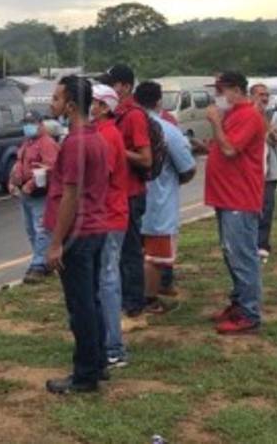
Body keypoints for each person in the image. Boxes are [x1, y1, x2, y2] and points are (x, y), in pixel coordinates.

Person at [39, 76, 113, 395]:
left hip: (78, 236)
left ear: (70, 106)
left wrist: (56, 243)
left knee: (80, 305)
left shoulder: (74, 143)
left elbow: (70, 196)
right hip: (96, 229)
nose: (51, 104)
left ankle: (85, 375)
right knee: (92, 300)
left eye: (56, 99)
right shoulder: (96, 138)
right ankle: (97, 362)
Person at [204, 71, 267, 335]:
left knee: (242, 256)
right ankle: (240, 302)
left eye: (222, 90)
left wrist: (216, 123)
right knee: (232, 254)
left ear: (237, 90)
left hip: (239, 198)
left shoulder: (248, 115)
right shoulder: (234, 115)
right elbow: (222, 147)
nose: (218, 96)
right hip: (227, 196)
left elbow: (231, 149)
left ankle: (250, 312)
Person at [136, 81, 197, 312]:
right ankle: (149, 299)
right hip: (158, 202)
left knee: (133, 253)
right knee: (155, 257)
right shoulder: (166, 129)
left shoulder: (126, 126)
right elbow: (188, 167)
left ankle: (131, 296)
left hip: (130, 202)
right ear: (159, 101)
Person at [97, 65, 153, 318]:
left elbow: (146, 159)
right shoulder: (113, 115)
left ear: (126, 87)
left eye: (113, 84)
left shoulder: (133, 116)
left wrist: (116, 148)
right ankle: (121, 295)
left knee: (130, 249)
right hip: (116, 192)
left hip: (131, 192)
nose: (109, 89)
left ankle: (134, 300)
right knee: (116, 251)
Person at [88, 84, 129, 369]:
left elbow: (101, 177)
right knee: (104, 279)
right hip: (106, 215)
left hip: (110, 216)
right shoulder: (101, 133)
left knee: (108, 280)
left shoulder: (107, 135)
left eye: (92, 102)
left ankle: (114, 346)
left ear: (103, 107)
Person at [9, 110, 59, 284]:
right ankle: (44, 262)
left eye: (31, 122)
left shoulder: (47, 143)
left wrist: (31, 183)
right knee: (31, 230)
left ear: (40, 124)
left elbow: (51, 167)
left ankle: (38, 265)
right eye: (26, 123)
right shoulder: (27, 142)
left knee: (41, 230)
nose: (28, 126)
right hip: (25, 194)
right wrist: (12, 181)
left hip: (40, 194)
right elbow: (18, 163)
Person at [250, 83, 277, 260]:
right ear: (251, 96)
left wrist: (262, 118)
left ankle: (262, 244)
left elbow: (275, 139)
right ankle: (249, 243)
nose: (264, 98)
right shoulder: (245, 115)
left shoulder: (275, 115)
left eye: (266, 95)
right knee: (249, 209)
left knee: (266, 207)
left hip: (269, 171)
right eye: (260, 94)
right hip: (249, 172)